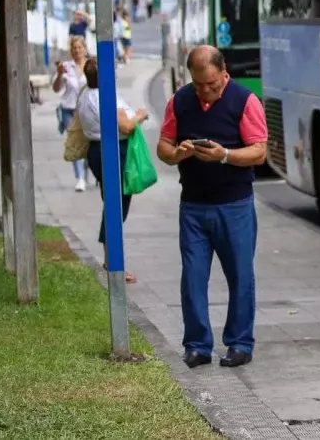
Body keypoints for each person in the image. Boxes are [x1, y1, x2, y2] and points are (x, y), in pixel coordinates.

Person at [156, 46, 268, 369]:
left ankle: (240, 343)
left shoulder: (245, 101)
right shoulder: (179, 101)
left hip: (235, 205)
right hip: (192, 206)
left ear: (224, 73)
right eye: (199, 85)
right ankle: (197, 345)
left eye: (212, 85)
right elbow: (163, 145)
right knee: (192, 277)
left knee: (240, 276)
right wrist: (177, 153)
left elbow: (259, 151)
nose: (205, 92)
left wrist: (225, 155)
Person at [77, 57, 148, 283]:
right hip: (114, 152)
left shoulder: (86, 94)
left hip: (98, 151)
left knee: (112, 203)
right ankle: (113, 262)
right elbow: (126, 126)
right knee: (116, 207)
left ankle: (111, 259)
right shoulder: (106, 97)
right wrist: (140, 114)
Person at [52, 35, 90, 191]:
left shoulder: (91, 65)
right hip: (70, 110)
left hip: (88, 110)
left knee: (88, 144)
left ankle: (87, 169)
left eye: (80, 47)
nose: (77, 50)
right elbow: (56, 88)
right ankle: (80, 177)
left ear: (85, 49)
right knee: (74, 144)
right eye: (74, 48)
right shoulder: (66, 67)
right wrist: (60, 74)